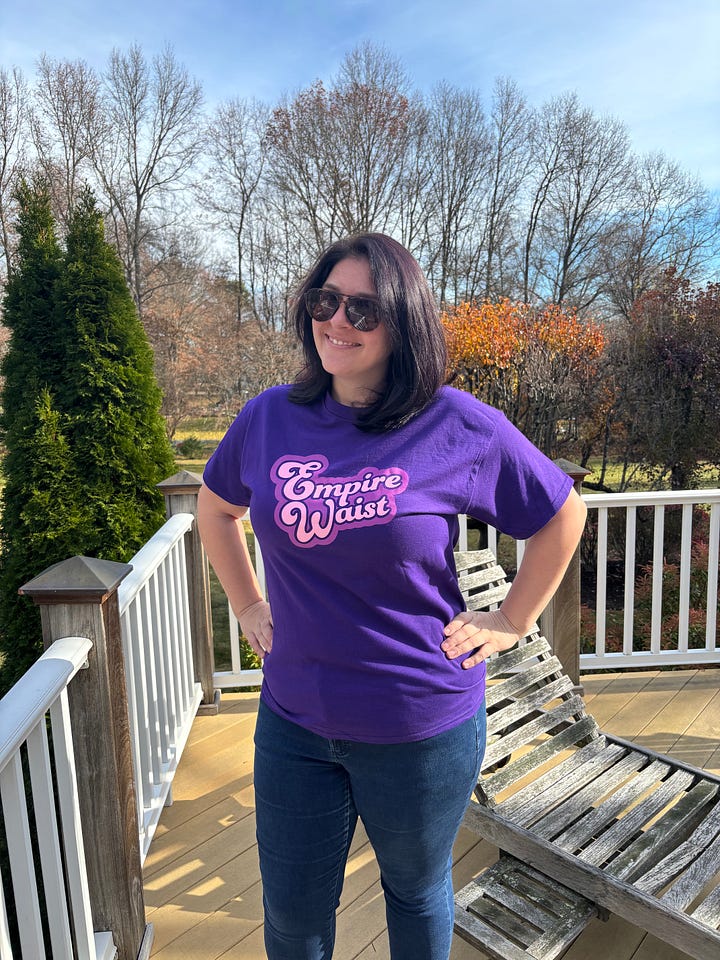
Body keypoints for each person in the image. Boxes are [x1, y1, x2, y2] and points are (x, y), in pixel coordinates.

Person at [197, 233, 587, 960]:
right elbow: (216, 511)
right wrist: (248, 605)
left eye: (365, 309)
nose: (337, 320)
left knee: (414, 891)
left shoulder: (456, 424)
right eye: (325, 299)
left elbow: (562, 514)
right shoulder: (268, 418)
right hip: (294, 720)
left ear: (403, 322)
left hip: (418, 727)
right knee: (292, 915)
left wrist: (511, 619)